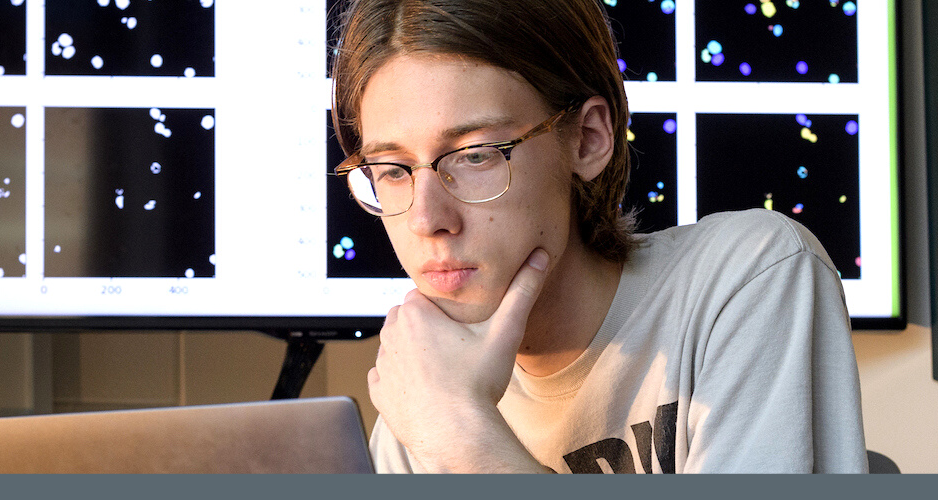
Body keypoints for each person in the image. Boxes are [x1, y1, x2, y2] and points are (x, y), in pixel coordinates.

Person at [329, 0, 867, 473]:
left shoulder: (750, 278)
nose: (426, 219)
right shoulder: (419, 397)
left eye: (476, 155)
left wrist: (464, 438)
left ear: (588, 139)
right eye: (392, 170)